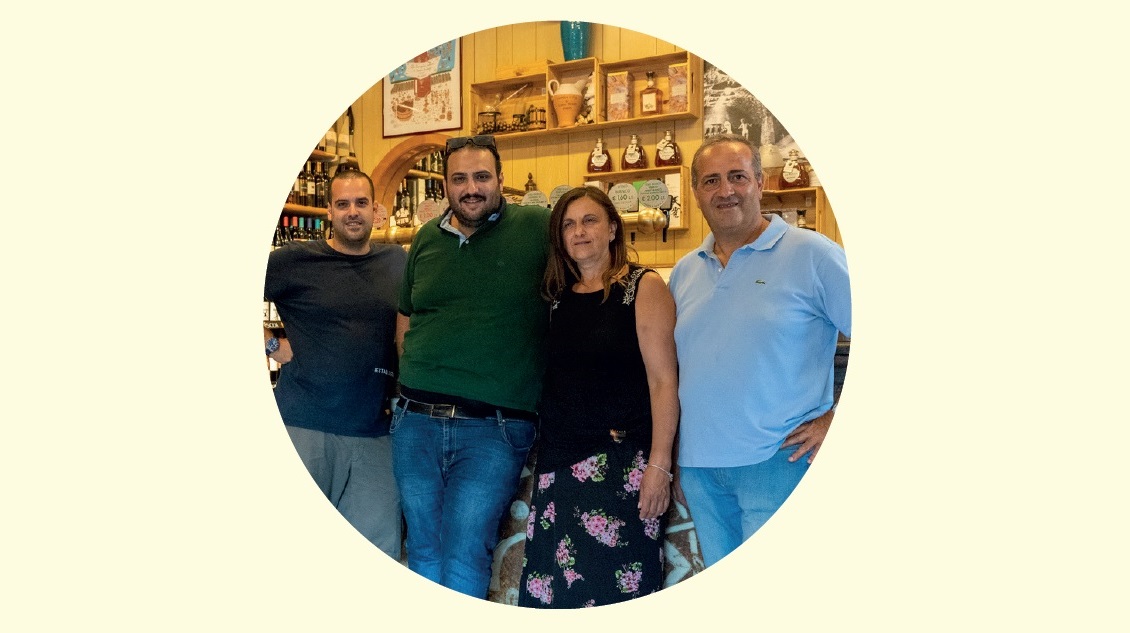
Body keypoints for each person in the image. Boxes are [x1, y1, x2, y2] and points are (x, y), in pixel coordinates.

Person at [668, 134, 851, 567]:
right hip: (700, 471)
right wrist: (676, 462)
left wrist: (836, 419)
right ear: (695, 192)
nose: (725, 190)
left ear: (760, 182)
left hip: (780, 461)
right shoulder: (684, 272)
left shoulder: (814, 254)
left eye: (737, 176)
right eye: (711, 180)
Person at [392, 134, 550, 599]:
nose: (471, 188)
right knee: (421, 548)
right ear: (445, 184)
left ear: (501, 179)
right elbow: (406, 315)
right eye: (459, 178)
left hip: (493, 428)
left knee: (464, 553)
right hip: (414, 421)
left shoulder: (538, 227)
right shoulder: (426, 237)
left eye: (482, 176)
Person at [517, 187, 679, 608]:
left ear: (612, 228)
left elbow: (663, 381)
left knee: (614, 591)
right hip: (557, 465)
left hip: (618, 464)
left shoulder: (643, 287)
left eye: (590, 220)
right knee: (556, 596)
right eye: (568, 224)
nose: (579, 232)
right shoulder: (558, 297)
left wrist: (659, 465)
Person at [264, 168, 406, 559]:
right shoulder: (296, 260)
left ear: (376, 210)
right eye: (343, 204)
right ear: (329, 211)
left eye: (361, 203)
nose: (352, 212)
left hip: (376, 431)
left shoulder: (397, 261)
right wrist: (271, 343)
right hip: (304, 427)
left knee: (380, 549)